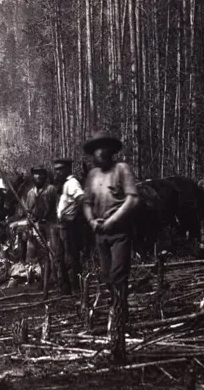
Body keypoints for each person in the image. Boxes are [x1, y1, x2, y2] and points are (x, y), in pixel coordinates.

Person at [83, 130, 139, 336]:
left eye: (102, 149)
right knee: (106, 276)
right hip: (100, 233)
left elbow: (132, 199)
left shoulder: (122, 170)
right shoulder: (92, 175)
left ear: (110, 151)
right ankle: (114, 311)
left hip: (119, 232)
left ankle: (121, 315)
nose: (99, 154)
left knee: (118, 274)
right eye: (95, 150)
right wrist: (91, 221)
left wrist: (112, 220)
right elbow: (87, 203)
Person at [54, 158, 86, 295]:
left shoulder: (72, 183)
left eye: (61, 169)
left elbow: (82, 198)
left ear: (68, 169)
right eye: (56, 169)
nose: (58, 172)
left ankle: (76, 289)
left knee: (70, 257)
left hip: (69, 225)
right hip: (62, 225)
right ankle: (66, 289)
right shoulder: (64, 184)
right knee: (60, 257)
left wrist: (73, 215)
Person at [25, 165, 57, 286]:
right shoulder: (30, 193)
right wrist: (29, 227)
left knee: (53, 252)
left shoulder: (50, 190)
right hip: (37, 226)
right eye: (35, 174)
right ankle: (44, 279)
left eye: (40, 174)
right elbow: (28, 211)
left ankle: (55, 278)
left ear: (44, 176)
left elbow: (56, 207)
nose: (37, 177)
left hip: (50, 225)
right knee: (41, 254)